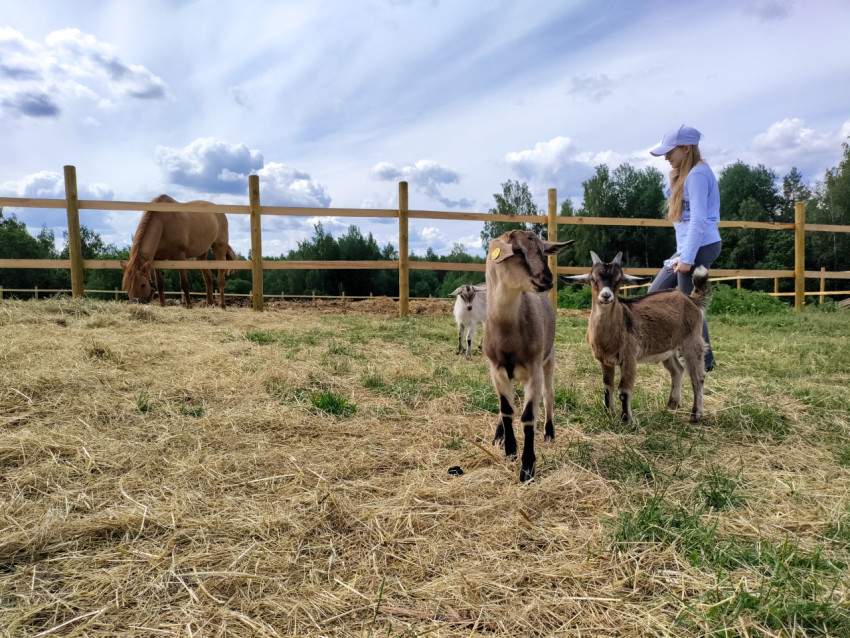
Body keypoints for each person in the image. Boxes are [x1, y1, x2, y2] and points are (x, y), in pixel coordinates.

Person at [648, 124, 722, 372]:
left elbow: (699, 219)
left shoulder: (698, 175)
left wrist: (688, 258)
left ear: (686, 148)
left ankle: (703, 361)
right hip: (689, 247)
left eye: (670, 151)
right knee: (656, 293)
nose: (666, 157)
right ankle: (675, 348)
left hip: (699, 246)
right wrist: (672, 185)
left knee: (689, 306)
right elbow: (683, 213)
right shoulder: (688, 175)